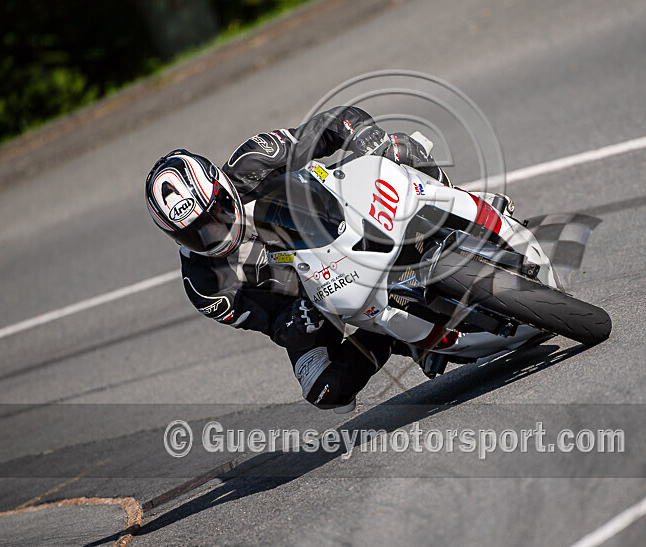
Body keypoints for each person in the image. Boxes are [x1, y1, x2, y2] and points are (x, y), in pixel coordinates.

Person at [144, 106, 449, 413]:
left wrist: (360, 135)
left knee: (397, 149)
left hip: (340, 217)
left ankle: (457, 211)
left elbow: (329, 125)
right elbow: (274, 323)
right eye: (195, 233)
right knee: (323, 389)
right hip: (311, 297)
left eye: (216, 212)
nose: (215, 231)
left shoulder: (252, 162)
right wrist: (296, 320)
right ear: (175, 237)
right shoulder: (204, 287)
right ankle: (397, 337)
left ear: (221, 186)